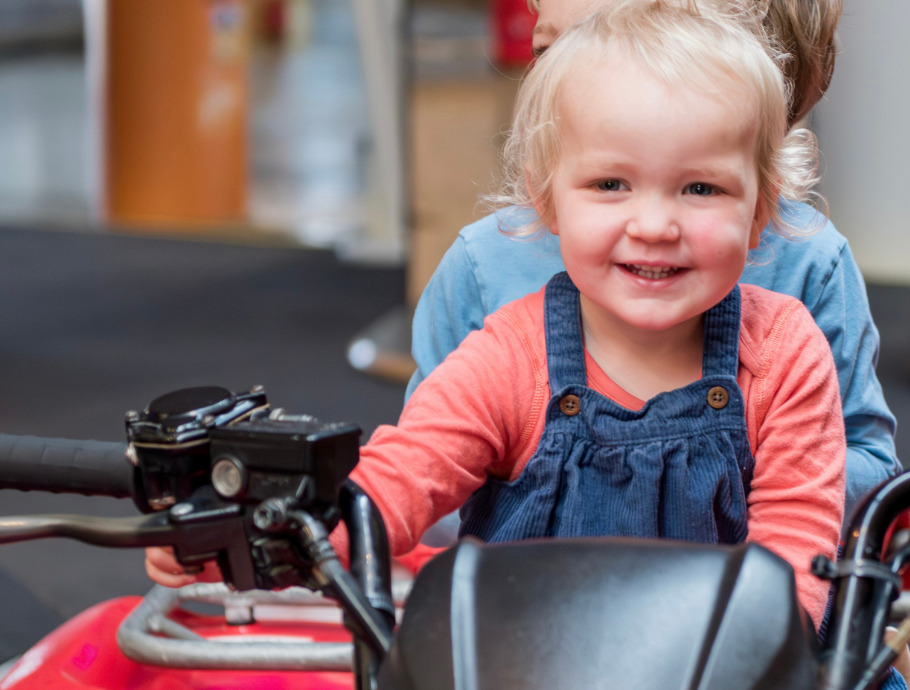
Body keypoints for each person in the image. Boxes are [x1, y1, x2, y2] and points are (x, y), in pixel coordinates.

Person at [153, 0, 850, 637]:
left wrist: (755, 654)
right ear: (547, 203)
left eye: (701, 188)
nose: (655, 224)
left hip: (719, 665)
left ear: (761, 211)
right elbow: (392, 487)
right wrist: (235, 545)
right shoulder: (510, 356)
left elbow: (796, 549)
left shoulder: (784, 354)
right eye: (611, 185)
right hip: (523, 658)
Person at [409, 0, 901, 513]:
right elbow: (419, 486)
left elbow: (870, 467)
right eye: (546, 53)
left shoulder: (809, 263)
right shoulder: (484, 262)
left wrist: (757, 475)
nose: (652, 228)